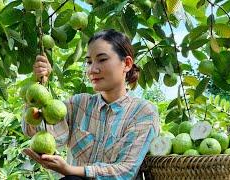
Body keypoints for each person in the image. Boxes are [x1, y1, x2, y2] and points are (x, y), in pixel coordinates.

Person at [22, 29, 159, 180]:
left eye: (102, 59)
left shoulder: (142, 112)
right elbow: (38, 131)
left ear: (126, 64)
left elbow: (126, 170)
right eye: (89, 62)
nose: (92, 69)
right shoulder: (78, 104)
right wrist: (37, 86)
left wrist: (70, 170)